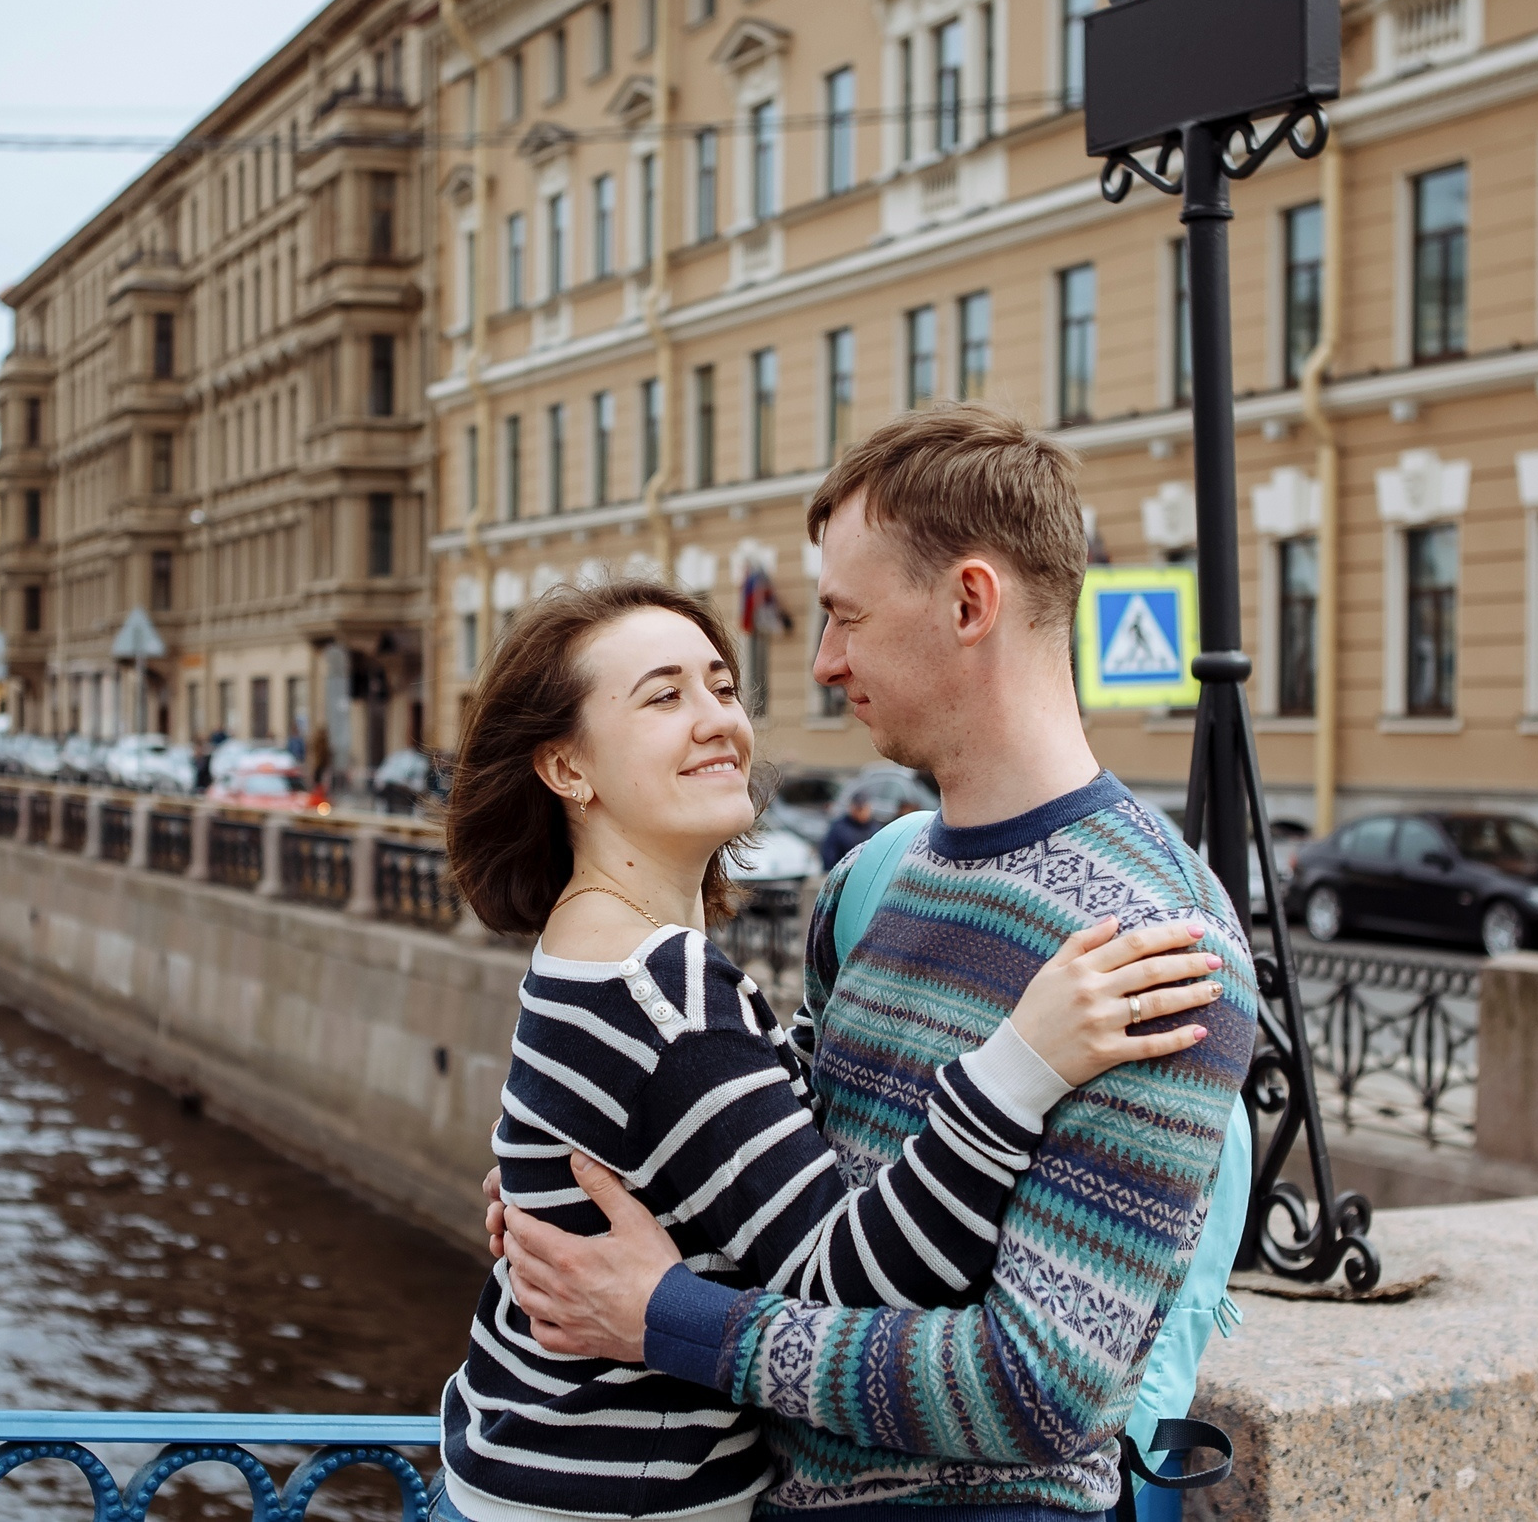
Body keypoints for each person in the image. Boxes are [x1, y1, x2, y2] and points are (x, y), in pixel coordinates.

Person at [494, 404, 1260, 1519]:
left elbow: (1038, 1391)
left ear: (967, 603)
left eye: (845, 617)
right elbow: (779, 1161)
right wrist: (562, 1182)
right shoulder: (877, 876)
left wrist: (665, 1317)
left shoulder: (1155, 940)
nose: (823, 661)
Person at [818, 791, 879, 871]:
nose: (861, 813)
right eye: (858, 809)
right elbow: (829, 856)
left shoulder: (875, 829)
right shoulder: (839, 828)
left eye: (863, 809)